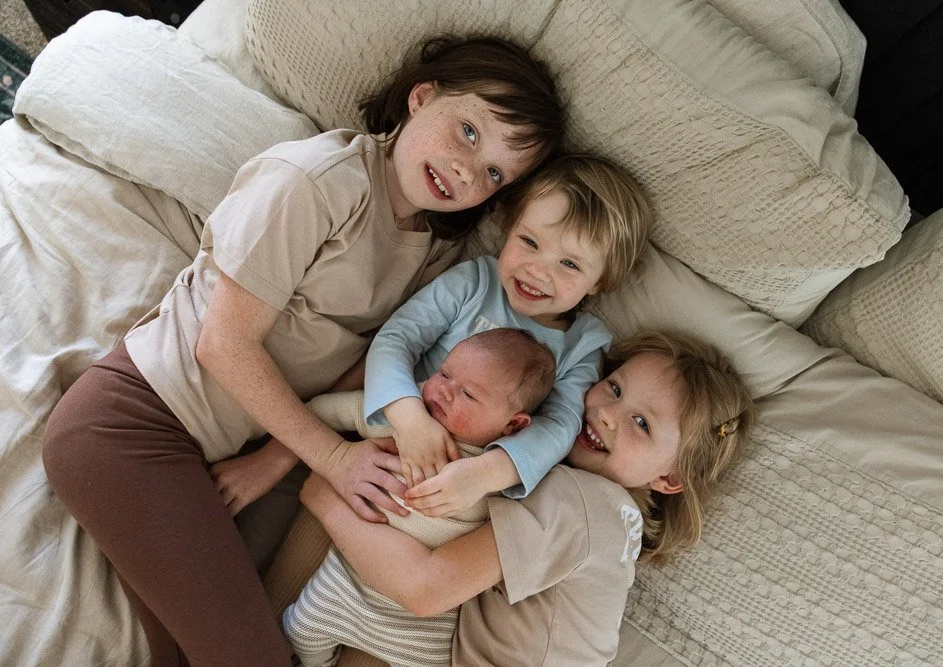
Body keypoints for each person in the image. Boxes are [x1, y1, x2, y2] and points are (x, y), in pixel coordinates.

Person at [40, 34, 565, 666]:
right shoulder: (316, 182)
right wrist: (337, 461)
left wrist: (271, 464)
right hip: (132, 425)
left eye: (493, 175)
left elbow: (357, 368)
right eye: (469, 133)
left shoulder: (438, 252)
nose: (466, 170)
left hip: (229, 456)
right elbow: (224, 344)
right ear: (420, 97)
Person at [296, 329, 757, 666]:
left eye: (642, 424)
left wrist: (323, 489)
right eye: (614, 388)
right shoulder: (604, 512)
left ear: (669, 479)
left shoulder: (582, 503)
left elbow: (425, 589)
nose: (608, 414)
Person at [368, 153, 653, 518]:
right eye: (529, 242)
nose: (536, 270)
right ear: (509, 227)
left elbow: (560, 425)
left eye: (569, 264)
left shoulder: (580, 346)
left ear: (599, 281)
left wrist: (485, 474)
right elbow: (396, 339)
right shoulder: (474, 284)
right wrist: (409, 419)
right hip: (392, 437)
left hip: (464, 484)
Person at [278, 328, 556, 666]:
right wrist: (332, 452)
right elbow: (326, 410)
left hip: (422, 625)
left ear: (513, 425)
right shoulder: (408, 423)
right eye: (444, 372)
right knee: (300, 627)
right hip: (348, 581)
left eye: (468, 394)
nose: (443, 390)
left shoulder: (505, 472)